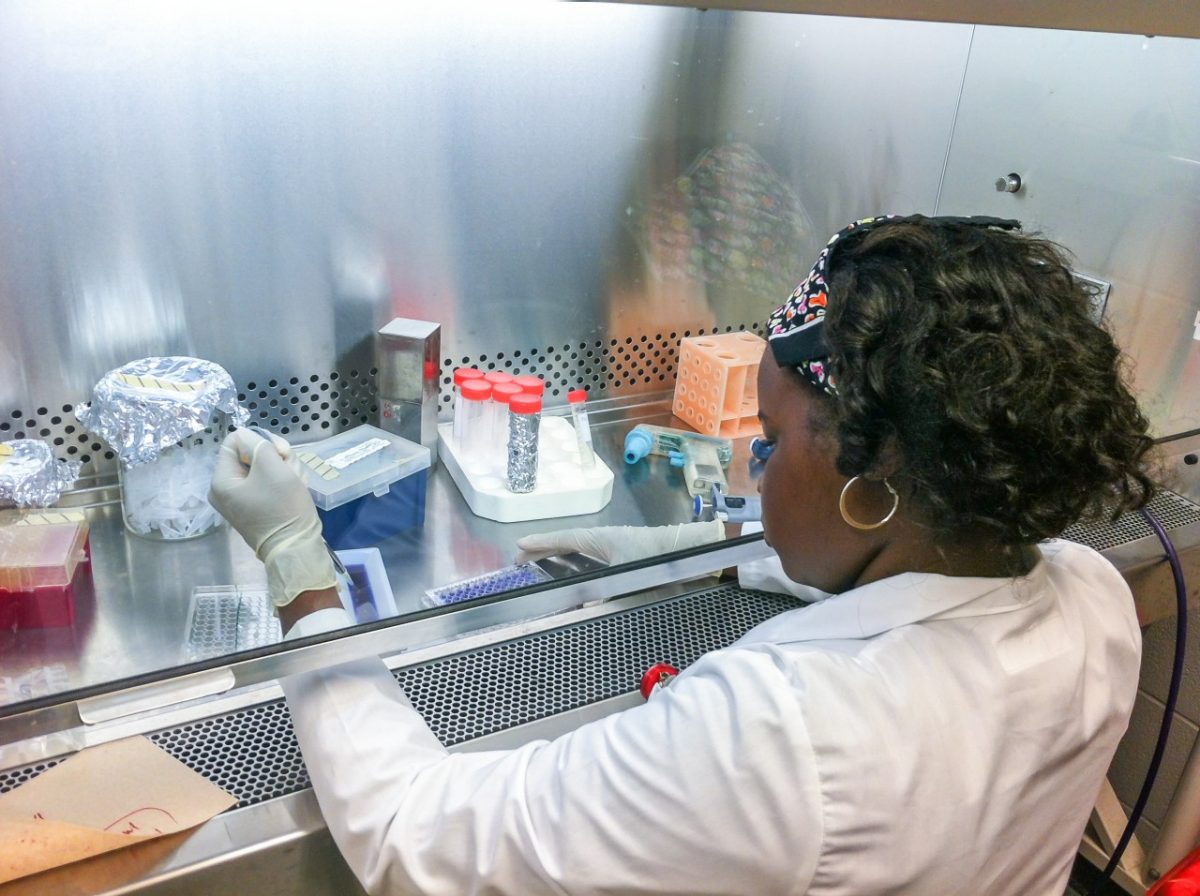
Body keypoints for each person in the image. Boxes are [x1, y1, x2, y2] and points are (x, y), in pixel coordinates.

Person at [209, 214, 1155, 895]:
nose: (749, 458)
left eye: (775, 438)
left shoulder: (783, 735)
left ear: (873, 485)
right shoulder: (1092, 595)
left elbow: (421, 836)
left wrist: (300, 572)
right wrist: (682, 542)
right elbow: (898, 570)